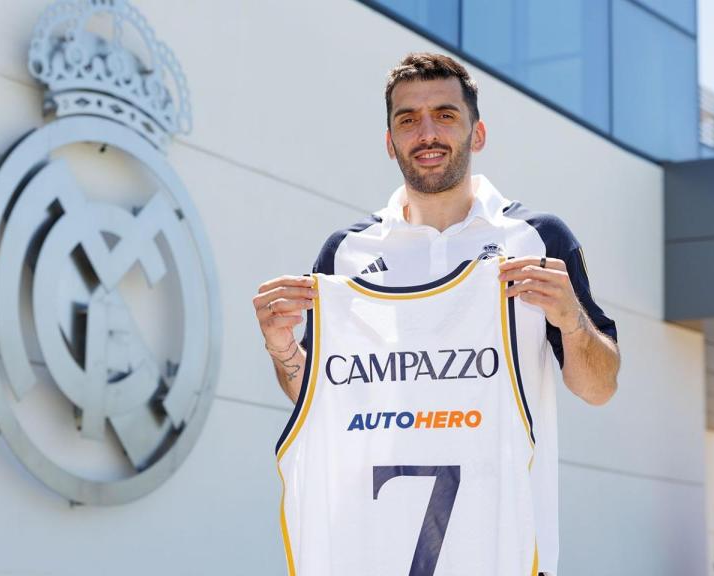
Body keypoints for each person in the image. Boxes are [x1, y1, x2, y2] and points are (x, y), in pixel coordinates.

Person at [253, 52, 620, 576]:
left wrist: (571, 320)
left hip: (506, 556)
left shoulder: (537, 239)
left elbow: (599, 387)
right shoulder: (346, 254)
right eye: (408, 119)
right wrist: (283, 349)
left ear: (478, 133)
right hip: (373, 554)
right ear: (389, 142)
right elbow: (322, 401)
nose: (427, 133)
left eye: (445, 115)